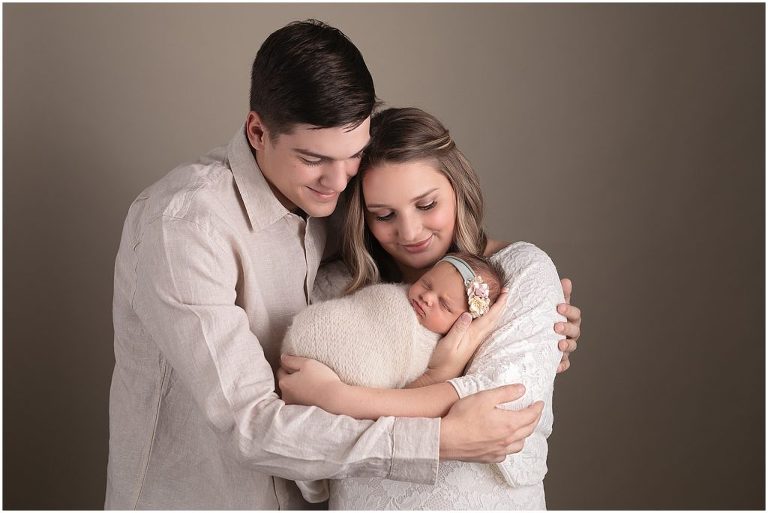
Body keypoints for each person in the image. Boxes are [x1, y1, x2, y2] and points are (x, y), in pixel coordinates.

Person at [106, 20, 581, 509]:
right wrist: (439, 439)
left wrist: (537, 306)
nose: (336, 182)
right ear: (257, 131)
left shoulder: (337, 211)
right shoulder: (185, 225)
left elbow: (422, 257)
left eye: (353, 155)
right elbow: (251, 425)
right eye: (314, 159)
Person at [278, 107, 568, 509]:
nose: (410, 232)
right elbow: (307, 437)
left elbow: (500, 408)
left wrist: (336, 397)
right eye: (384, 215)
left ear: (457, 188)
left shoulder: (521, 272)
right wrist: (444, 384)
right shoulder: (336, 287)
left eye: (427, 205)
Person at [284, 252, 506, 502]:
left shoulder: (437, 348)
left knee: (318, 427)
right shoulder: (395, 295)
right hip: (323, 338)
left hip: (342, 378)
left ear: (462, 323)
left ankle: (310, 471)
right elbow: (370, 307)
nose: (427, 298)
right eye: (427, 283)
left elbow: (404, 395)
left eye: (444, 305)